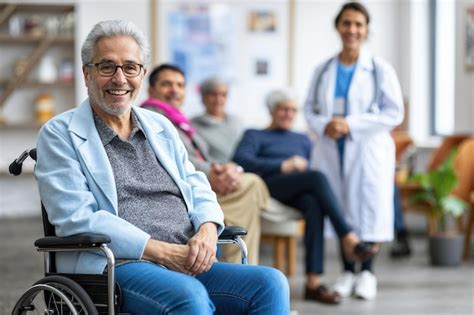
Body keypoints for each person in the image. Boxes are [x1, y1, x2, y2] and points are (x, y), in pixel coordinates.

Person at [35, 20, 289, 314]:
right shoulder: (59, 133)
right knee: (188, 294)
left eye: (130, 67)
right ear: (87, 73)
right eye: (107, 66)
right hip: (118, 264)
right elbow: (75, 217)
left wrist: (207, 229)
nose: (120, 78)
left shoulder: (159, 125)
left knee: (270, 282)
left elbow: (197, 184)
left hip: (186, 256)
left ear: (142, 74)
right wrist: (163, 252)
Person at [233, 88, 376, 305]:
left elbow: (314, 164)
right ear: (272, 111)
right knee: (316, 178)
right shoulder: (254, 134)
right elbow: (241, 161)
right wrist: (283, 165)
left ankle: (313, 283)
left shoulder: (302, 139)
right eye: (283, 109)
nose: (289, 114)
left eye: (293, 110)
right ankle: (348, 235)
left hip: (298, 189)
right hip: (267, 186)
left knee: (313, 203)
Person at [303, 2, 404, 301]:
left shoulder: (380, 69)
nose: (352, 30)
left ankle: (368, 272)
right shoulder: (323, 70)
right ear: (338, 27)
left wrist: (351, 124)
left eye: (358, 24)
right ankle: (348, 271)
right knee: (340, 209)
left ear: (366, 29)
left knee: (369, 208)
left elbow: (394, 113)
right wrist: (325, 126)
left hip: (368, 149)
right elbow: (309, 109)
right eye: (347, 23)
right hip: (332, 149)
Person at [141, 64, 269, 266]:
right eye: (167, 84)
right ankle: (239, 267)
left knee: (250, 186)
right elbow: (174, 161)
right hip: (183, 193)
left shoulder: (178, 120)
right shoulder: (152, 116)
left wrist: (223, 168)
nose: (175, 90)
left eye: (180, 85)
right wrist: (213, 172)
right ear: (151, 90)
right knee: (252, 185)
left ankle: (237, 266)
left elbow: (199, 156)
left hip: (202, 182)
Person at [190, 77, 243, 163]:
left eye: (223, 95)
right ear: (203, 97)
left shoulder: (236, 121)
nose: (218, 100)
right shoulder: (193, 126)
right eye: (213, 94)